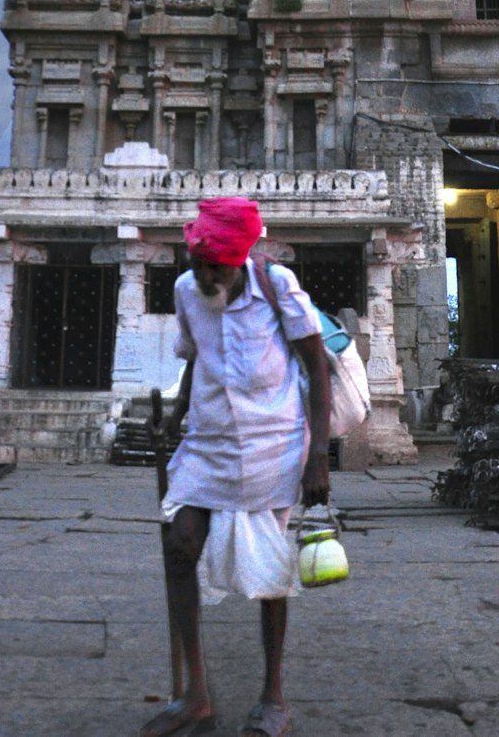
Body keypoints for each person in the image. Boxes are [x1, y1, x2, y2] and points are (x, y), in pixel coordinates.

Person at [141, 197, 330, 737]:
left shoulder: (277, 286)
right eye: (197, 263)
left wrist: (319, 456)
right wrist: (176, 417)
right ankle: (196, 695)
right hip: (209, 442)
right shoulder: (186, 290)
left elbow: (317, 366)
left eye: (214, 266)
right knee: (178, 543)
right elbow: (196, 354)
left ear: (240, 258)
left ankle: (273, 697)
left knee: (269, 575)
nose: (204, 274)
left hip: (274, 442)